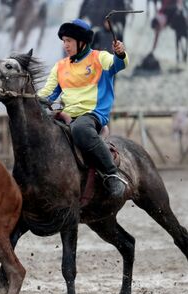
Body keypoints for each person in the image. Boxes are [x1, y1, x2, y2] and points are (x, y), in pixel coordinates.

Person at [38, 19, 129, 198]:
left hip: (92, 115)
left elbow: (119, 64)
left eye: (69, 41)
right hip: (66, 116)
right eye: (63, 41)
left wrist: (120, 53)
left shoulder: (100, 58)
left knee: (79, 128)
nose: (65, 45)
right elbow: (47, 95)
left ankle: (112, 174)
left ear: (82, 41)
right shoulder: (59, 66)